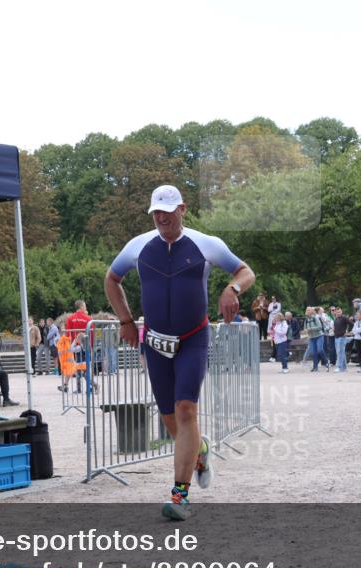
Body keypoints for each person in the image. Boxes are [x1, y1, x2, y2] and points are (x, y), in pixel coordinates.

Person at [104, 184, 254, 521]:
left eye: (167, 212)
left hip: (192, 338)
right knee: (171, 420)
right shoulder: (138, 246)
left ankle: (180, 496)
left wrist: (232, 288)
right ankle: (199, 451)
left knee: (186, 410)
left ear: (182, 210)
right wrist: (125, 320)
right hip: (155, 342)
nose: (161, 218)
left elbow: (245, 271)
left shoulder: (206, 244)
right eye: (156, 212)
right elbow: (112, 279)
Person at [303, 306, 329, 372]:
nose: (308, 311)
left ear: (312, 311)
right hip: (311, 338)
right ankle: (315, 367)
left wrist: (310, 329)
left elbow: (320, 327)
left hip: (319, 336)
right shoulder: (306, 320)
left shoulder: (315, 318)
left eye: (309, 310)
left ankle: (326, 362)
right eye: (307, 310)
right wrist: (305, 331)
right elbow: (305, 328)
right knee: (314, 352)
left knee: (320, 350)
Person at [333, 306, 351, 372]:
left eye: (339, 312)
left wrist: (349, 332)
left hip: (342, 337)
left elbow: (351, 324)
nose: (338, 313)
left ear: (342, 311)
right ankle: (344, 367)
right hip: (336, 337)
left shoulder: (344, 318)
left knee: (340, 352)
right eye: (337, 312)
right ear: (335, 312)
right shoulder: (336, 319)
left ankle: (339, 367)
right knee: (341, 352)